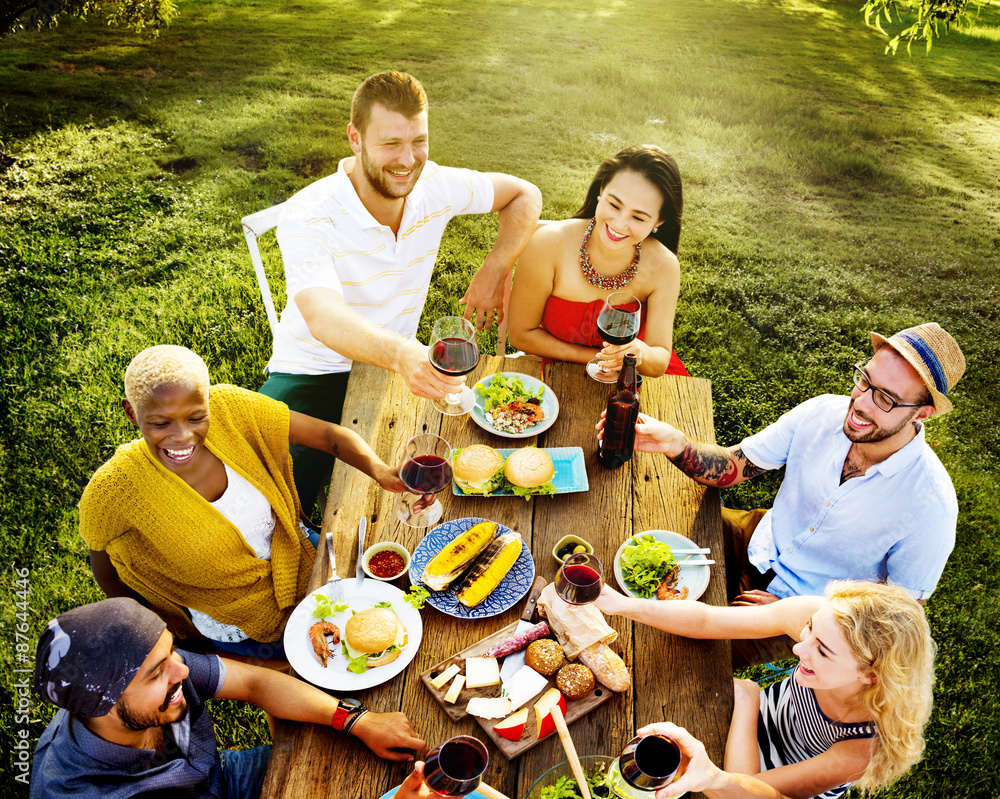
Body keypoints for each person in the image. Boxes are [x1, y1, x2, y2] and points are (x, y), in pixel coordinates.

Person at [259, 70, 542, 511]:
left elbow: (525, 195)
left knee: (434, 491)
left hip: (394, 370)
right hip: (312, 371)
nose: (408, 160)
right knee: (268, 501)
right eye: (391, 143)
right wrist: (401, 354)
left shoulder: (436, 186)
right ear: (355, 137)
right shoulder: (310, 213)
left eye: (418, 141)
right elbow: (322, 316)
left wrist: (495, 267)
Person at [598, 322, 964, 660]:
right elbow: (733, 468)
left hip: (806, 611)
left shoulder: (931, 507)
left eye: (886, 398)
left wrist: (803, 614)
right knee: (640, 543)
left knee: (682, 651)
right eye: (864, 380)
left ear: (923, 413)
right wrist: (674, 443)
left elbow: (896, 615)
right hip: (759, 536)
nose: (862, 402)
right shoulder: (821, 413)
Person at [82, 345, 407, 660]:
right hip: (237, 622)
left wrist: (381, 471)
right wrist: (153, 630)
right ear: (131, 412)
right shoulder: (114, 488)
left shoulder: (230, 409)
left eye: (196, 417)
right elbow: (107, 573)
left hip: (300, 556)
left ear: (209, 402)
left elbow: (326, 436)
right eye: (160, 423)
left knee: (380, 633)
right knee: (306, 684)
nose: (181, 435)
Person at [31, 598, 426, 798]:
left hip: (224, 779)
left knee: (378, 765)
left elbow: (255, 683)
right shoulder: (80, 791)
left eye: (171, 652)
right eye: (157, 673)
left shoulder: (158, 668)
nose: (182, 671)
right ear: (102, 706)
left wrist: (356, 720)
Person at [596, 580, 935, 799]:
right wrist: (622, 606)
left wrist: (747, 701)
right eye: (810, 631)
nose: (800, 649)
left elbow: (752, 787)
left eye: (823, 651)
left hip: (763, 776)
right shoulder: (821, 616)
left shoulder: (863, 745)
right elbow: (708, 621)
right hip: (745, 730)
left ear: (869, 676)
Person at [507, 144, 689, 378]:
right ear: (601, 189)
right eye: (614, 204)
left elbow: (659, 361)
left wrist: (639, 352)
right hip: (559, 370)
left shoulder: (664, 265)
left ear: (659, 221)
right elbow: (521, 334)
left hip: (633, 375)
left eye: (638, 217)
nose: (619, 224)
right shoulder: (547, 244)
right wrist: (603, 359)